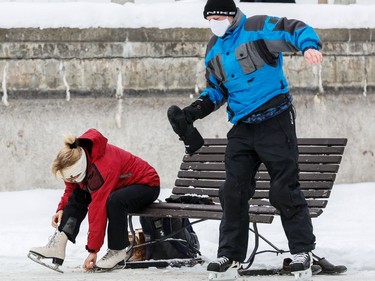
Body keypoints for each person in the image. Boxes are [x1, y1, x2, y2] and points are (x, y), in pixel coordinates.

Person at [167, 0, 323, 278]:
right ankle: (230, 254)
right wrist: (193, 112)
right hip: (242, 126)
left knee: (283, 189)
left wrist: (309, 45)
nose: (214, 21)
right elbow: (216, 90)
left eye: (218, 15)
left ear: (231, 14)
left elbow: (294, 29)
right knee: (233, 191)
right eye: (209, 17)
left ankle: (301, 251)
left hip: (275, 118)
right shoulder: (213, 48)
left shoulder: (257, 28)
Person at [28, 128, 160, 271]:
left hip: (147, 185)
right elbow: (71, 189)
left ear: (79, 171)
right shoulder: (75, 157)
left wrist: (93, 251)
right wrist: (61, 208)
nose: (69, 180)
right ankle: (58, 244)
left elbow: (98, 209)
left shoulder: (103, 167)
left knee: (115, 201)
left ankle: (117, 250)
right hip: (120, 187)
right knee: (80, 193)